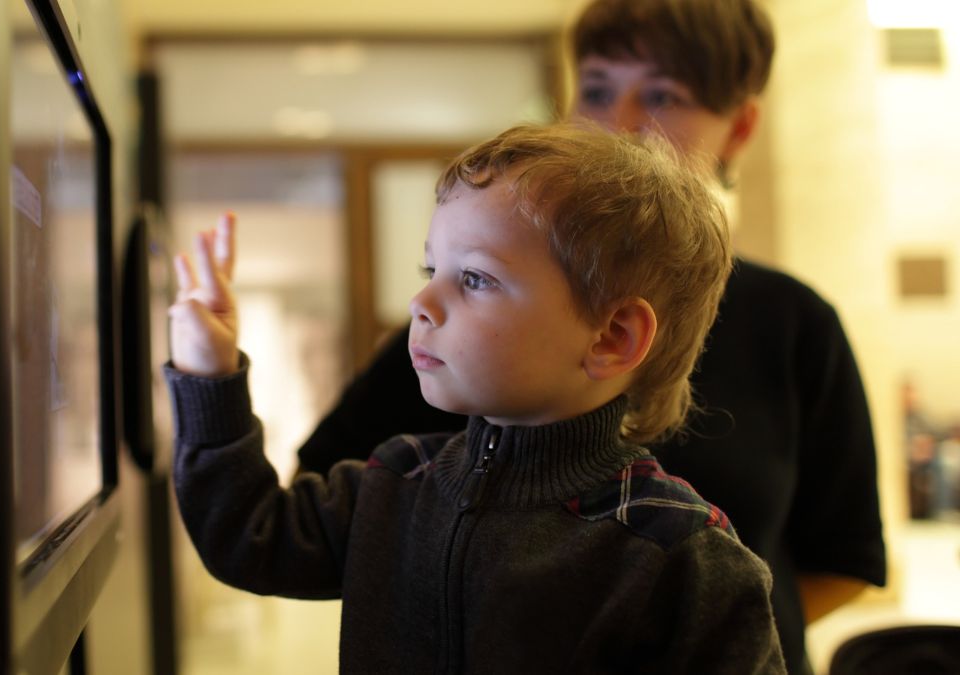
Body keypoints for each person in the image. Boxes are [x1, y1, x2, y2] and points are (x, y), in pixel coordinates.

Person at [295, 1, 886, 672]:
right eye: (599, 88)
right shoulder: (471, 316)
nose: (623, 120)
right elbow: (326, 510)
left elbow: (846, 558)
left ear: (740, 127)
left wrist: (693, 627)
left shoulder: (794, 321)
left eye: (665, 95)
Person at [166, 123, 784, 673]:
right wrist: (209, 377)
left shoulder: (680, 556)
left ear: (612, 336)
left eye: (475, 278)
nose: (422, 304)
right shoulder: (396, 483)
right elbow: (248, 536)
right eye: (428, 272)